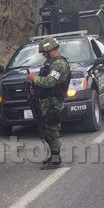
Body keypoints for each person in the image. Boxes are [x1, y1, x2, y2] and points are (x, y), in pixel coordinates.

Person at [27, 36, 71, 169]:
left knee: (52, 130)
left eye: (43, 52)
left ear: (49, 50)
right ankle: (53, 156)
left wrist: (34, 79)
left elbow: (50, 82)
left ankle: (56, 160)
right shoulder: (52, 63)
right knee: (47, 129)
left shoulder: (59, 64)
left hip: (53, 102)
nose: (43, 55)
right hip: (47, 100)